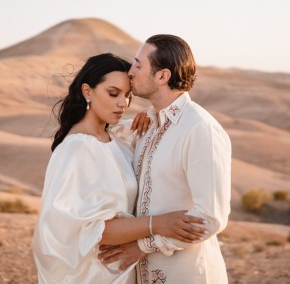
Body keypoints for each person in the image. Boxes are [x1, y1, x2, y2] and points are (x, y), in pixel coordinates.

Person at [32, 53, 206, 284]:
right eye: (113, 94)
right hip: (97, 272)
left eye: (127, 95)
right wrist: (159, 224)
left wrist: (151, 114)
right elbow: (87, 231)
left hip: (124, 269)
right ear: (87, 91)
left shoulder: (114, 138)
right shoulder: (76, 150)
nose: (122, 103)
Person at [98, 36, 232, 283]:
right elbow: (103, 135)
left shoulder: (199, 128)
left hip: (187, 274)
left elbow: (210, 217)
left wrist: (143, 245)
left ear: (162, 77)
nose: (131, 72)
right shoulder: (148, 125)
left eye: (138, 65)